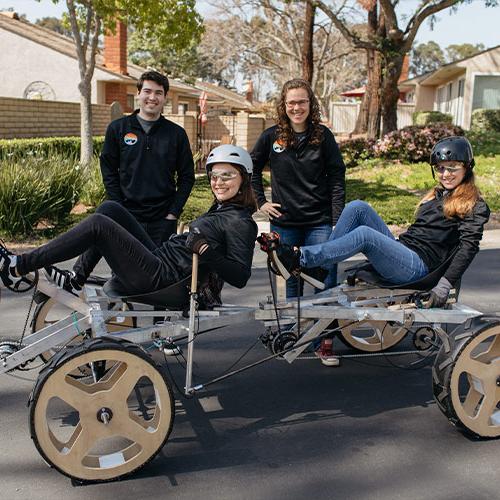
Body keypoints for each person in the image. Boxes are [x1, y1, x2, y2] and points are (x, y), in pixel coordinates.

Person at [269, 136, 490, 363]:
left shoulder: (474, 204)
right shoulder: (437, 195)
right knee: (357, 208)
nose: (446, 174)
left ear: (467, 167)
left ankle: (301, 258)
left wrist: (443, 288)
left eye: (453, 168)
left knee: (366, 236)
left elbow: (467, 248)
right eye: (441, 168)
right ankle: (320, 269)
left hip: (419, 268)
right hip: (405, 250)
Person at [0, 146, 257, 300]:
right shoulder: (223, 208)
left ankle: (18, 266)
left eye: (228, 175)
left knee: (99, 224)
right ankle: (75, 279)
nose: (218, 182)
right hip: (161, 262)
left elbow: (240, 276)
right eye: (214, 175)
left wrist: (205, 250)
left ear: (244, 179)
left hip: (164, 280)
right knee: (111, 208)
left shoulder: (241, 221)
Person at [251, 78, 346, 299]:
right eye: (291, 103)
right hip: (285, 223)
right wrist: (261, 202)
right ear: (283, 106)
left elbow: (337, 177)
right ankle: (293, 331)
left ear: (311, 104)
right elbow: (249, 170)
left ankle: (327, 332)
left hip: (319, 223)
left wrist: (337, 219)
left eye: (302, 102)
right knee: (292, 280)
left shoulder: (323, 136)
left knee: (325, 279)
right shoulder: (271, 137)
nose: (297, 108)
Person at [100, 70, 195, 245]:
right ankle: (78, 273)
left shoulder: (176, 134)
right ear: (138, 94)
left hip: (162, 220)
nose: (152, 97)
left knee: (159, 270)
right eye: (147, 91)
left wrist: (173, 213)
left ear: (165, 97)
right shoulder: (118, 128)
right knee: (123, 269)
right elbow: (108, 169)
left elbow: (187, 176)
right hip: (127, 216)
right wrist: (118, 206)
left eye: (158, 93)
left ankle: (78, 273)